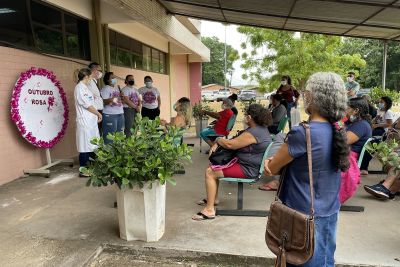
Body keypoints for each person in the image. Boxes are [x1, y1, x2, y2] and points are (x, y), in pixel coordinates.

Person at [264, 72, 349, 266]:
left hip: (301, 214)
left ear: (311, 96)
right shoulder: (338, 130)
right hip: (329, 210)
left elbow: (272, 169)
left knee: (302, 261)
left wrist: (270, 161)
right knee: (326, 261)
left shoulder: (302, 133)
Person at [192, 104, 272, 220]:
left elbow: (231, 145)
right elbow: (235, 141)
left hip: (248, 169)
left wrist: (218, 140)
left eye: (245, 116)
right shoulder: (260, 129)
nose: (244, 118)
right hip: (247, 164)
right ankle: (213, 199)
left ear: (249, 117)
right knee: (214, 165)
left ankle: (209, 210)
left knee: (210, 172)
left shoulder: (253, 133)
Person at [340, 97, 372, 203]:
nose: (345, 110)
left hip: (349, 156)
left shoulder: (361, 125)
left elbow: (342, 141)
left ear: (356, 110)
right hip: (345, 153)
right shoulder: (353, 123)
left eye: (347, 108)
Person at [74, 68, 102, 177]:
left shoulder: (85, 88)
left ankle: (92, 168)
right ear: (86, 77)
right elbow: (88, 105)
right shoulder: (79, 88)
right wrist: (98, 114)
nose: (92, 78)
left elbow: (91, 101)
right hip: (85, 122)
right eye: (91, 76)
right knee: (85, 146)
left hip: (91, 122)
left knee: (92, 145)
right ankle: (83, 170)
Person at [360, 96, 394, 175]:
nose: (380, 103)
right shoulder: (379, 111)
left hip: (383, 133)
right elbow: (374, 120)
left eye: (382, 102)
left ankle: (364, 168)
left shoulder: (388, 112)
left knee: (369, 148)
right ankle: (362, 167)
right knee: (365, 146)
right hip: (376, 131)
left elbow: (389, 124)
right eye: (379, 102)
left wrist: (378, 125)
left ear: (386, 103)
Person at [101, 72, 124, 144]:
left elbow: (120, 100)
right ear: (107, 80)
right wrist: (113, 99)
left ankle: (117, 154)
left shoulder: (117, 88)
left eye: (115, 77)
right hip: (110, 115)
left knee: (120, 135)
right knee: (110, 136)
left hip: (120, 113)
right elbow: (103, 101)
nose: (114, 79)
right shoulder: (105, 89)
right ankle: (108, 154)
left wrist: (121, 97)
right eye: (112, 78)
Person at [87, 62, 104, 133]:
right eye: (99, 70)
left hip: (98, 110)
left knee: (98, 132)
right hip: (94, 111)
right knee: (96, 133)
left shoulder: (93, 82)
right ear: (94, 70)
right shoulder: (89, 82)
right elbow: (89, 98)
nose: (100, 73)